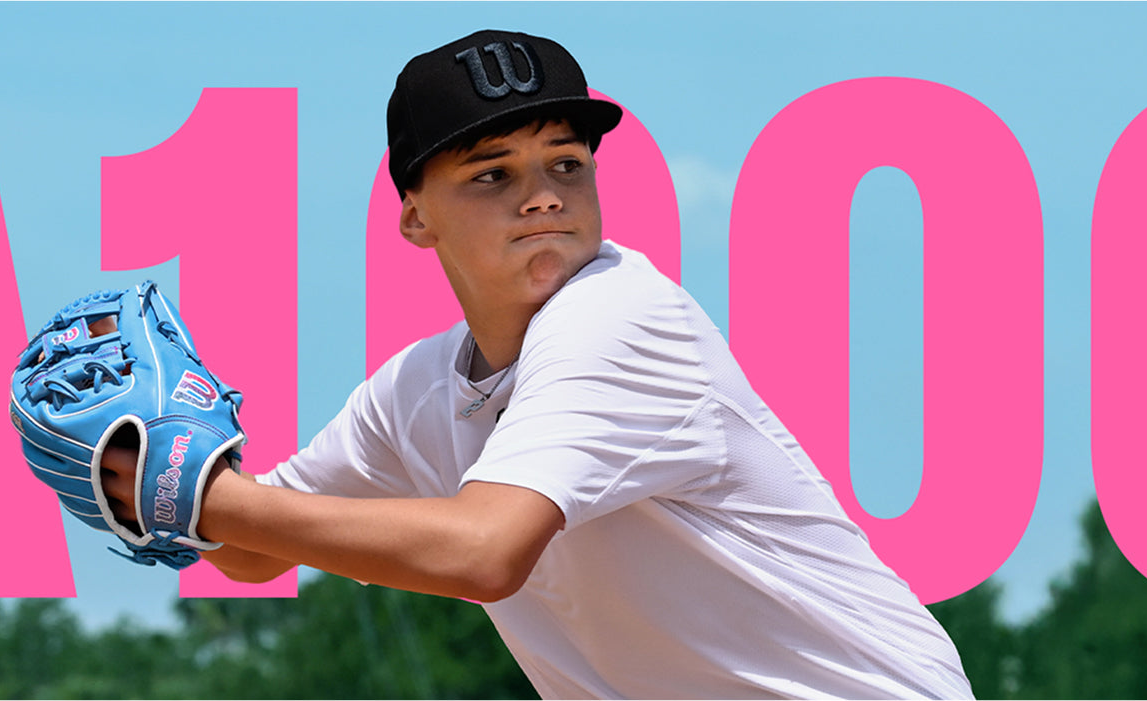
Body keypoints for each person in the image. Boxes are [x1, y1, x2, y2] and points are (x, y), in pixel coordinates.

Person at [101, 29, 973, 699]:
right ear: (414, 216)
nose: (545, 193)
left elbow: (486, 551)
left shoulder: (620, 312)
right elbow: (257, 547)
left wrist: (201, 496)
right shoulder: (414, 392)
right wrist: (141, 477)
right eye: (492, 173)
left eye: (566, 162)